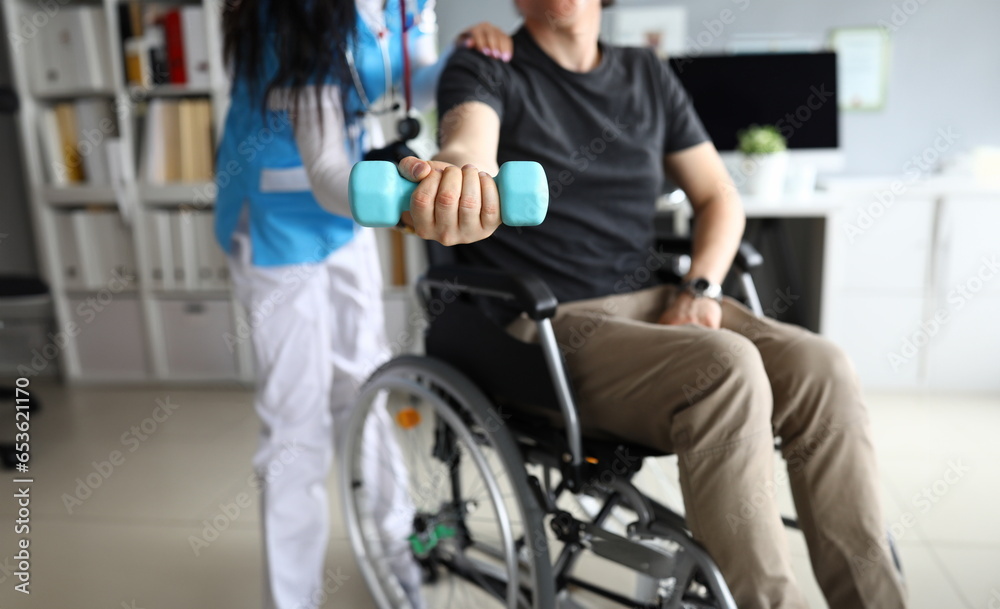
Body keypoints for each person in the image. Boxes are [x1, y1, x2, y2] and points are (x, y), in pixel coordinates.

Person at [393, 0, 909, 607]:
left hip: (659, 300)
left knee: (824, 366)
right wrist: (458, 173)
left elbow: (719, 196)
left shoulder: (645, 73)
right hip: (553, 327)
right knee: (728, 367)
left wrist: (701, 288)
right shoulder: (487, 64)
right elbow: (468, 145)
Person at [213, 2, 513, 608]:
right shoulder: (293, 16)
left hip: (349, 218)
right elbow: (325, 171)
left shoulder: (410, 4)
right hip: (280, 222)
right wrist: (408, 208)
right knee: (294, 421)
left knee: (368, 389)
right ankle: (291, 600)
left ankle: (400, 572)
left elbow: (408, 81)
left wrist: (464, 49)